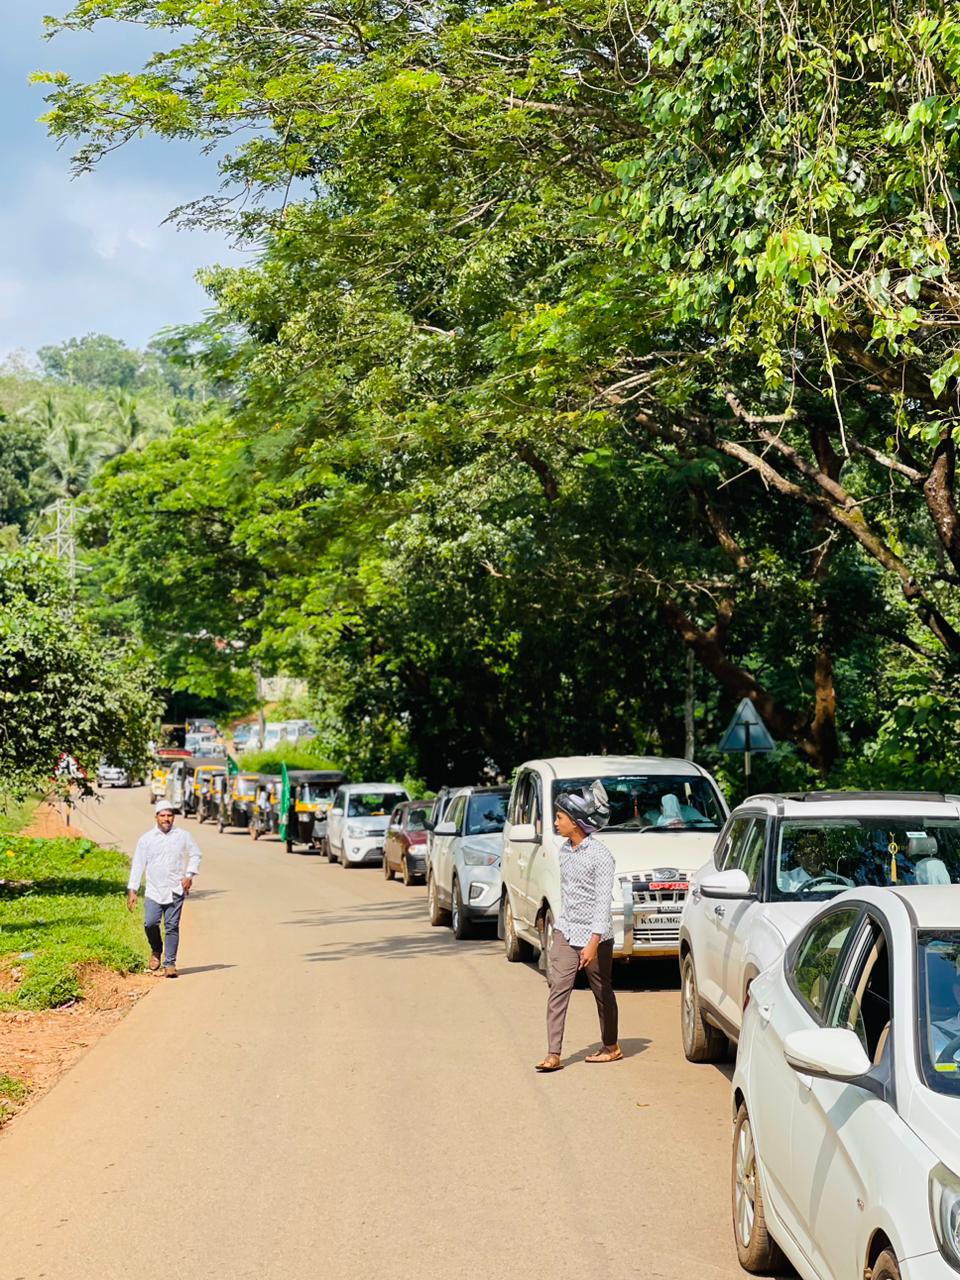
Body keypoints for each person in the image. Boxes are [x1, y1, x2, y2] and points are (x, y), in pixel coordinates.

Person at [536, 780, 622, 1072]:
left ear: (575, 822)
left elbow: (602, 902)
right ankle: (553, 1054)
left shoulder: (601, 856)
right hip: (567, 929)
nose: (556, 822)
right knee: (558, 987)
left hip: (596, 934)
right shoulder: (564, 851)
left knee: (602, 991)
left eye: (560, 817)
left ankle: (611, 1046)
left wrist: (593, 943)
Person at [127, 799, 202, 979]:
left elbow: (195, 854)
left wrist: (189, 875)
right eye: (163, 815)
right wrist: (133, 890)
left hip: (175, 888)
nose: (166, 819)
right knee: (150, 923)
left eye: (169, 815)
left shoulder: (183, 836)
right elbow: (138, 864)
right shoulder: (146, 839)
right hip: (153, 889)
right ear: (156, 817)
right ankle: (156, 950)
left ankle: (170, 963)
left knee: (172, 926)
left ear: (174, 817)